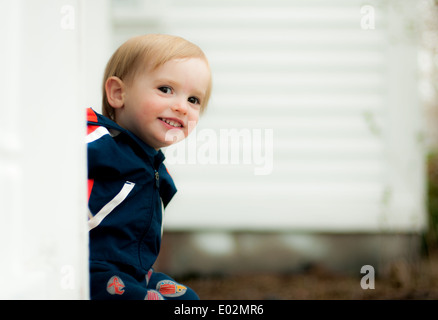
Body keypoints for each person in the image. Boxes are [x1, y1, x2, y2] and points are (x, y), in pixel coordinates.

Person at [86, 34, 212, 300]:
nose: (181, 107)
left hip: (137, 272)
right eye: (165, 89)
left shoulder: (155, 168)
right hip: (93, 268)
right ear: (119, 94)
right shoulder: (101, 141)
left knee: (188, 300)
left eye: (194, 100)